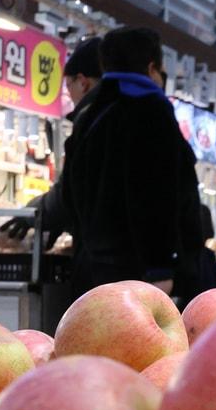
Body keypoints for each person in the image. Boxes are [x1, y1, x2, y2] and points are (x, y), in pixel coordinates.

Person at [59, 27, 202, 297]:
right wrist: (161, 268)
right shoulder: (152, 110)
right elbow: (157, 194)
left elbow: (69, 194)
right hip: (142, 276)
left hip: (94, 270)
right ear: (152, 68)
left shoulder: (89, 115)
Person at [0, 37, 102, 247]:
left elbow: (71, 192)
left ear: (83, 82)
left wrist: (34, 212)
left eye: (68, 85)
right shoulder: (121, 114)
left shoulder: (94, 120)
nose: (70, 95)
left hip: (104, 257)